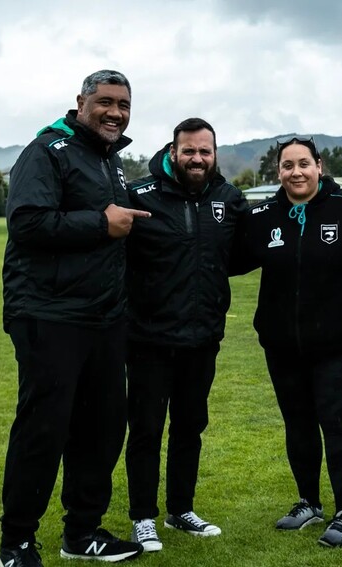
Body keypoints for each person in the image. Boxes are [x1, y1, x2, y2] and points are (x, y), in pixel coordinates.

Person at [0, 70, 147, 566]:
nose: (115, 112)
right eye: (105, 102)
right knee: (45, 429)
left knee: (103, 430)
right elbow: (26, 222)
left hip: (104, 317)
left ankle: (82, 534)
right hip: (48, 313)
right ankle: (16, 543)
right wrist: (101, 223)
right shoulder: (47, 151)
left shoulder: (111, 160)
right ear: (81, 102)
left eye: (123, 104)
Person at [231, 136, 342, 548]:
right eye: (288, 166)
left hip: (340, 343)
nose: (296, 172)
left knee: (337, 423)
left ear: (319, 166)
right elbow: (227, 258)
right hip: (283, 344)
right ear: (278, 172)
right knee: (297, 424)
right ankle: (308, 501)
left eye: (304, 163)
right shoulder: (264, 215)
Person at [124, 118, 248, 551]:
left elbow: (253, 244)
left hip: (203, 337)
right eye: (189, 151)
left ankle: (181, 509)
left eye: (205, 151)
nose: (197, 159)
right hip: (148, 339)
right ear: (173, 152)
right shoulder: (139, 195)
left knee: (190, 426)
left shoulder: (229, 199)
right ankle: (143, 516)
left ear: (215, 154)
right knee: (146, 429)